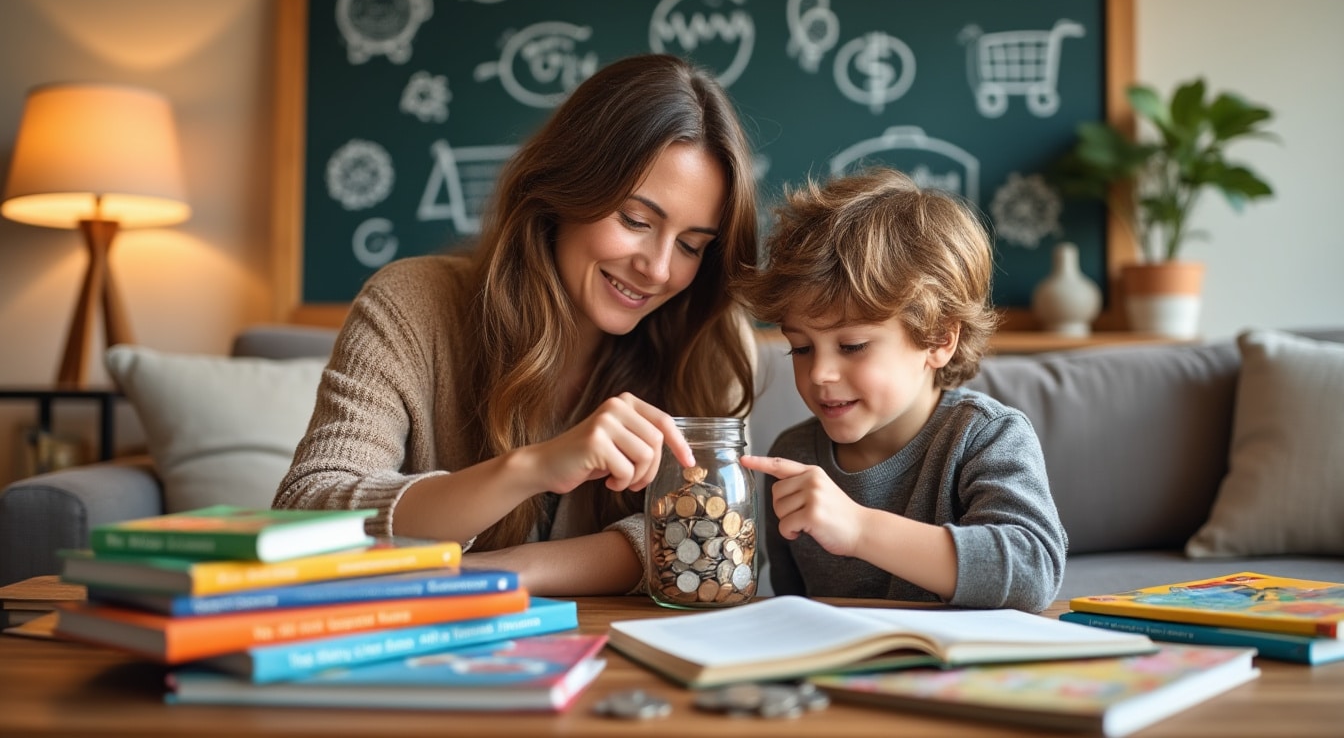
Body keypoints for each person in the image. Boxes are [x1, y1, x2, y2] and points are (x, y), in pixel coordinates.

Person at [273, 54, 759, 596]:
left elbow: (710, 539)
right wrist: (530, 469)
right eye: (636, 221)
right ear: (565, 189)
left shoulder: (712, 340)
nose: (660, 269)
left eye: (692, 245)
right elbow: (305, 510)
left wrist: (514, 570)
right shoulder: (410, 304)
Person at [735, 167, 1066, 612]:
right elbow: (795, 610)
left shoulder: (986, 438)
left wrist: (859, 529)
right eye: (801, 348)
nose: (819, 375)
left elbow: (1033, 572)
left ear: (938, 339)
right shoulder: (796, 455)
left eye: (852, 346)